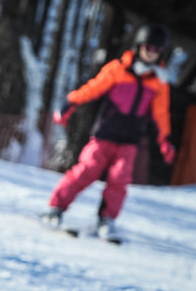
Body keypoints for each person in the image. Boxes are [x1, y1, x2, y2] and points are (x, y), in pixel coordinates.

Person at [42, 24, 175, 241]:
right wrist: (71, 102)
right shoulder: (118, 69)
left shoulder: (159, 81)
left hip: (130, 139)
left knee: (119, 180)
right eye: (149, 47)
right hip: (105, 133)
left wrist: (165, 139)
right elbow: (93, 88)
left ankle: (107, 220)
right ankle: (55, 208)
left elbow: (161, 113)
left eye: (157, 50)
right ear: (139, 45)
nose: (152, 53)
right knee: (86, 170)